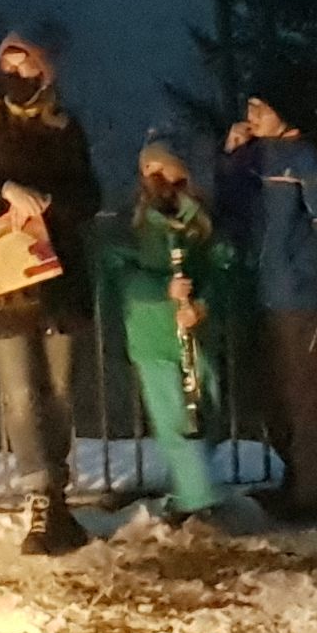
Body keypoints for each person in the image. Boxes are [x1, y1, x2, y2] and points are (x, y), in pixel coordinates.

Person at [0, 28, 101, 556]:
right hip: (1, 278)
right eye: (7, 60)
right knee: (20, 393)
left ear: (45, 69)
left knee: (58, 392)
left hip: (59, 274)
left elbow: (89, 194)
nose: (15, 72)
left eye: (25, 62)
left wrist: (51, 203)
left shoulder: (63, 124)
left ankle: (56, 496)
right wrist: (1, 191)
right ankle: (38, 498)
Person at [95, 139, 238, 530]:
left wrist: (203, 302)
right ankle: (200, 497)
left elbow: (223, 265)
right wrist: (162, 291)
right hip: (152, 333)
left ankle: (187, 489)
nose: (156, 177)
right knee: (174, 416)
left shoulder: (202, 220)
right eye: (149, 169)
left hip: (197, 330)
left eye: (165, 168)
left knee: (204, 411)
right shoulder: (128, 222)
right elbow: (117, 271)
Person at [222, 89, 317, 523]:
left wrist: (297, 271)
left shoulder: (305, 159)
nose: (251, 115)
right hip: (265, 293)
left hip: (302, 298)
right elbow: (234, 212)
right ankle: (295, 481)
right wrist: (234, 158)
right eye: (250, 106)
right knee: (277, 398)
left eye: (261, 107)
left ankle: (316, 494)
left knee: (307, 398)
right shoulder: (258, 156)